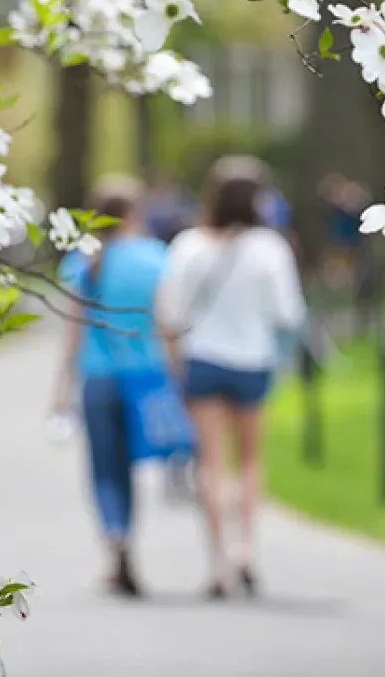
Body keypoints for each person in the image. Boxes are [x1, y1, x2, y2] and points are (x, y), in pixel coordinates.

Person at [156, 159, 306, 599]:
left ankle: (218, 561)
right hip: (252, 359)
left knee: (211, 462)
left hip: (202, 358)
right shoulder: (270, 248)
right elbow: (288, 312)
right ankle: (245, 550)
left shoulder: (189, 245)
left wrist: (174, 363)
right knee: (249, 460)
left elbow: (169, 312)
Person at [53, 174, 168, 598]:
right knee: (130, 469)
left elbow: (72, 332)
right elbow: (165, 320)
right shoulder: (155, 257)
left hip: (96, 377)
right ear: (135, 212)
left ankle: (115, 539)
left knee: (104, 469)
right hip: (144, 375)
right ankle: (126, 538)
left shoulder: (82, 260)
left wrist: (60, 390)